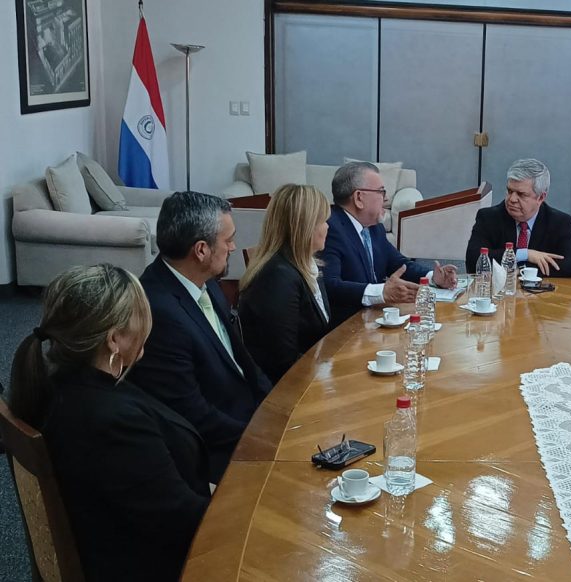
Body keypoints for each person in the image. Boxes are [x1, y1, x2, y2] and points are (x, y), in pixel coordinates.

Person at [8, 264, 210, 581]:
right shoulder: (111, 422)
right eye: (141, 315)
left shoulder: (57, 383)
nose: (149, 324)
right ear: (113, 339)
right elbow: (183, 523)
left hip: (117, 539)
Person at [131, 191, 273, 482]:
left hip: (247, 418)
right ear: (201, 250)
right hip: (216, 452)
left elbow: (243, 361)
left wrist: (276, 406)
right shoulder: (160, 312)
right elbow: (192, 413)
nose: (233, 247)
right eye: (228, 239)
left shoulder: (203, 280)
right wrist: (261, 435)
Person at [323, 161, 457, 326]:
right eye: (381, 191)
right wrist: (382, 292)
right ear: (359, 198)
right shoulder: (331, 229)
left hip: (374, 319)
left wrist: (433, 277)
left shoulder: (374, 227)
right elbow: (330, 285)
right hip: (345, 328)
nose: (386, 199)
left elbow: (398, 264)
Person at [239, 184, 332, 384]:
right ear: (306, 226)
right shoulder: (278, 278)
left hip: (312, 375)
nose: (327, 227)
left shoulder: (307, 264)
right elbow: (283, 362)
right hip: (288, 391)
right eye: (323, 221)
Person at [465, 158, 571, 277]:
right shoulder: (488, 217)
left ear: (541, 197)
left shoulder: (559, 222)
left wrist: (525, 269)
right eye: (510, 191)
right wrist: (525, 254)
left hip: (541, 294)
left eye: (521, 194)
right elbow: (473, 260)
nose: (512, 199)